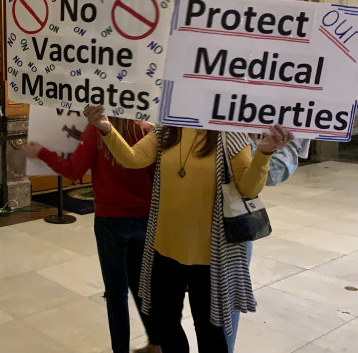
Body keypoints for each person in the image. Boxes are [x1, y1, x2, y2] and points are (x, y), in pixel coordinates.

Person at [85, 105, 294, 353]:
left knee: (210, 335)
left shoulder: (230, 134)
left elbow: (248, 189)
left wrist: (263, 154)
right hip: (165, 250)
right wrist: (107, 129)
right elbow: (133, 158)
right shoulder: (167, 129)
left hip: (209, 259)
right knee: (165, 326)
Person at [24, 116, 161, 353]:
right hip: (145, 218)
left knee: (116, 293)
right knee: (143, 287)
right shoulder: (147, 130)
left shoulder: (96, 130)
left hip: (111, 220)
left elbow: (73, 170)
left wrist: (41, 153)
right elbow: (157, 175)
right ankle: (157, 345)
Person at [225, 137, 309, 352]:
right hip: (181, 216)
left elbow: (274, 172)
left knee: (224, 303)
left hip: (229, 225)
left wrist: (240, 139)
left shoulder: (292, 112)